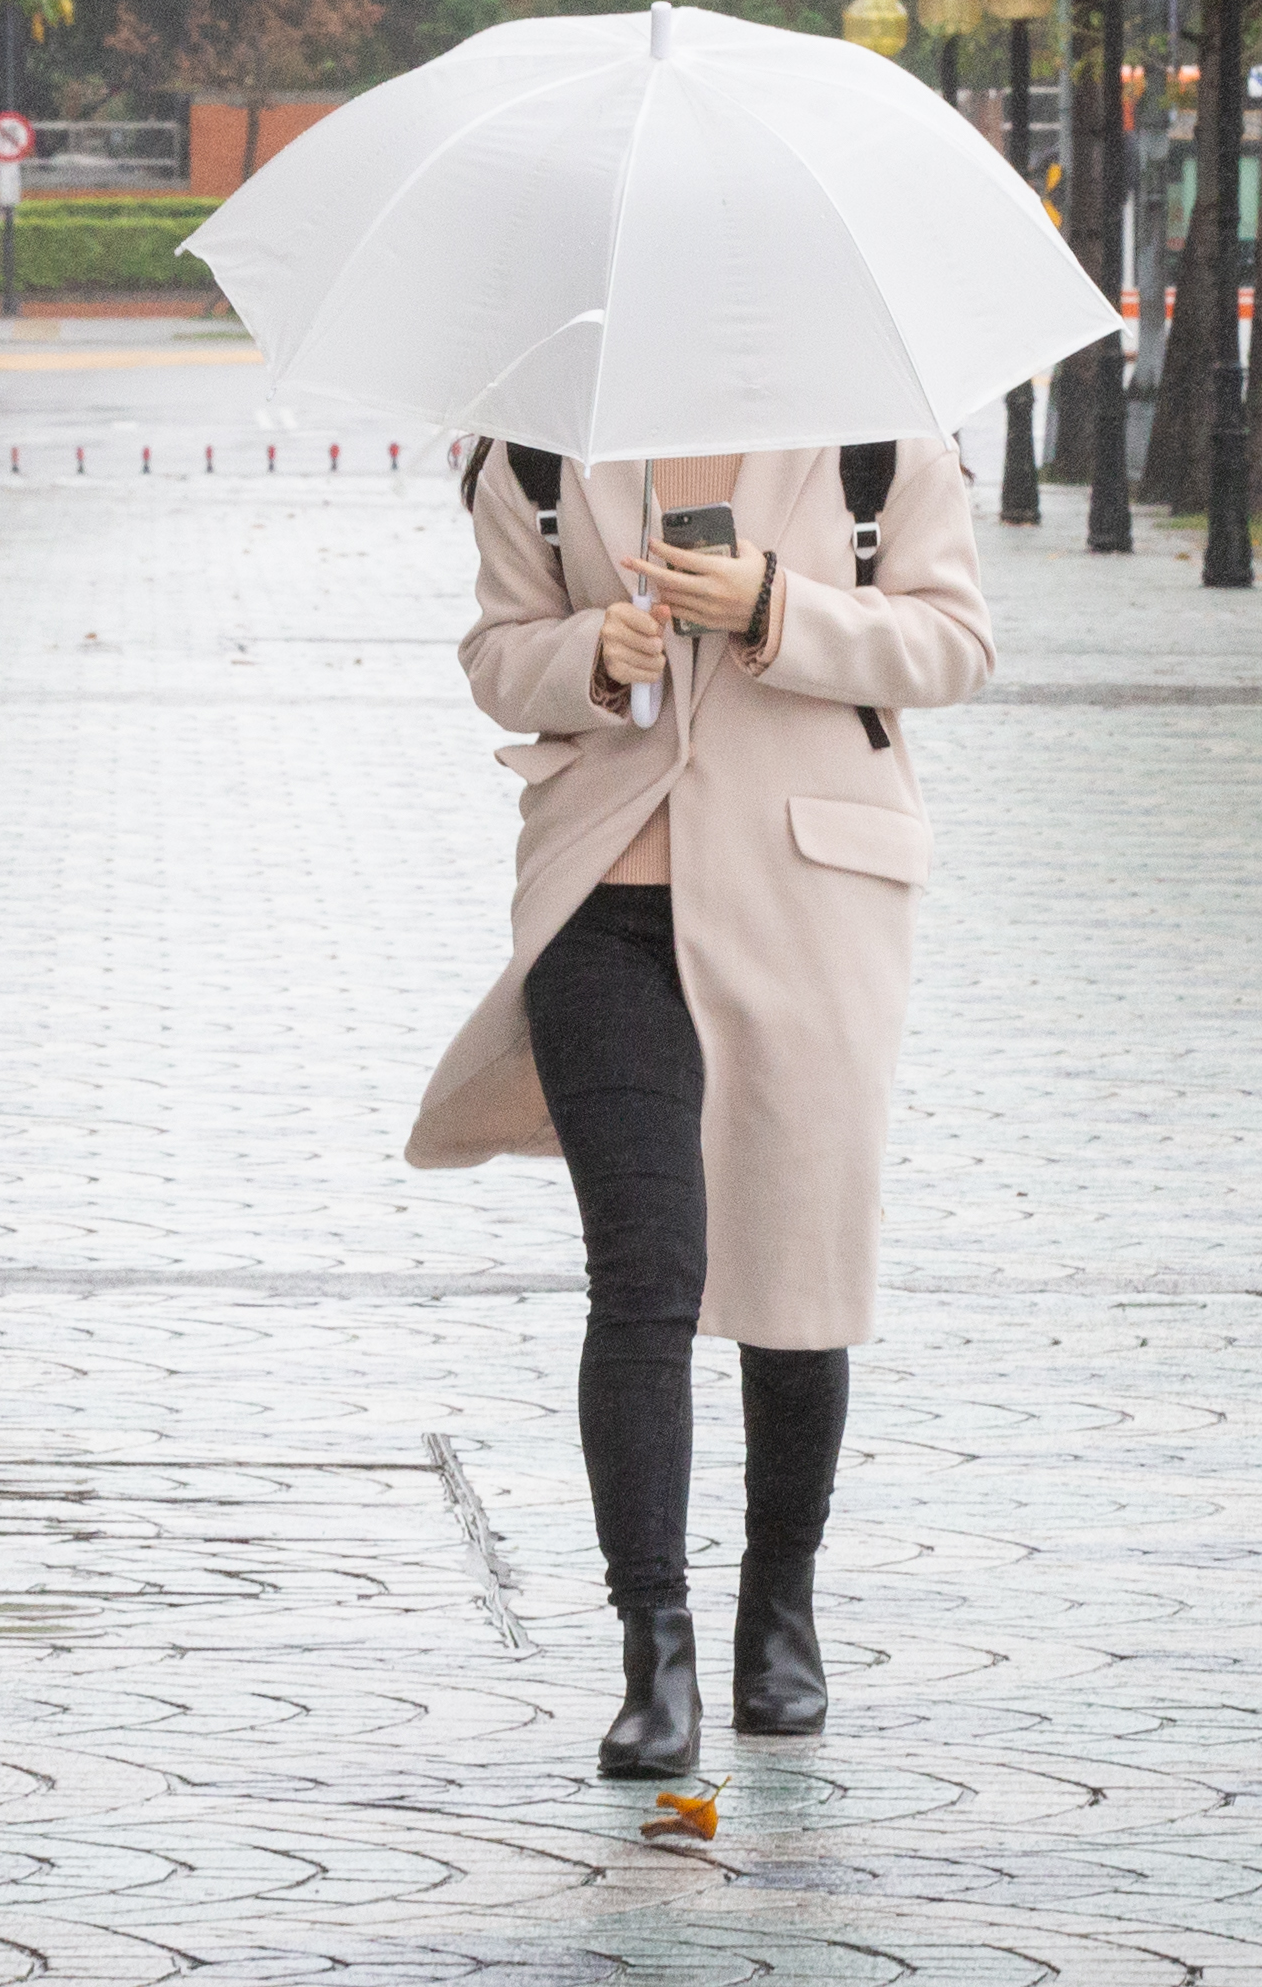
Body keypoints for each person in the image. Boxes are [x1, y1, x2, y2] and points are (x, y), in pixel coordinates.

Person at [409, 438, 992, 1780]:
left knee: (794, 1271)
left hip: (812, 893)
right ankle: (652, 1650)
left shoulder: (876, 428)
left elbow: (954, 642)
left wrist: (775, 607)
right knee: (643, 1269)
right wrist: (588, 653)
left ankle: (778, 1609)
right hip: (602, 901)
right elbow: (497, 651)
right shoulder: (541, 433)